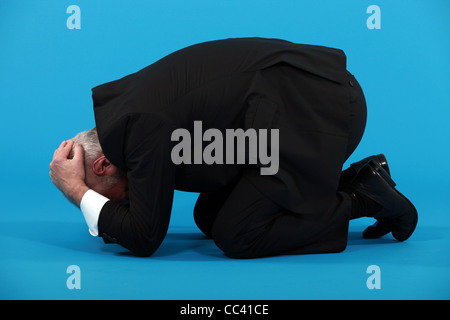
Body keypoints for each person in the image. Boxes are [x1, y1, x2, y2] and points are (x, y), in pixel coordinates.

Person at [49, 37, 417, 258]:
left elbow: (145, 236)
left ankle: (361, 197)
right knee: (209, 216)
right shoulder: (126, 120)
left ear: (102, 166)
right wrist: (95, 199)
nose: (122, 202)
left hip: (323, 111)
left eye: (111, 197)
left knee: (236, 234)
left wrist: (77, 191)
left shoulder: (142, 128)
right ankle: (361, 180)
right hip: (280, 119)